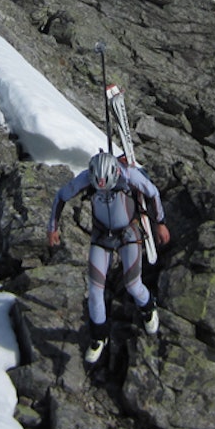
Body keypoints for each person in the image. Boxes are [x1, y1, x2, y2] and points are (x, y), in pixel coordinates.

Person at [47, 149, 171, 363]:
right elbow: (61, 196)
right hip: (102, 235)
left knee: (133, 285)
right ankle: (98, 337)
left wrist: (160, 223)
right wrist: (52, 227)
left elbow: (152, 193)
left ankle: (148, 307)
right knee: (95, 291)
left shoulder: (128, 174)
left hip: (128, 233)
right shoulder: (87, 178)